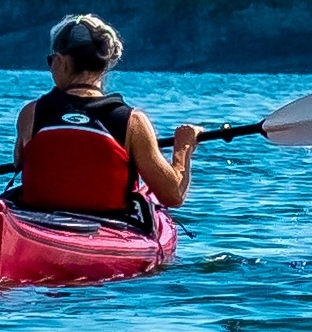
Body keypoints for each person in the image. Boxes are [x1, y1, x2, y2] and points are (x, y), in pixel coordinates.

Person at [13, 14, 207, 212]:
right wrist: (184, 146)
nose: (51, 67)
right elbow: (172, 195)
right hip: (105, 226)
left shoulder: (31, 113)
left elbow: (19, 162)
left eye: (51, 60)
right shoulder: (132, 122)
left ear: (62, 61)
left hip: (39, 222)